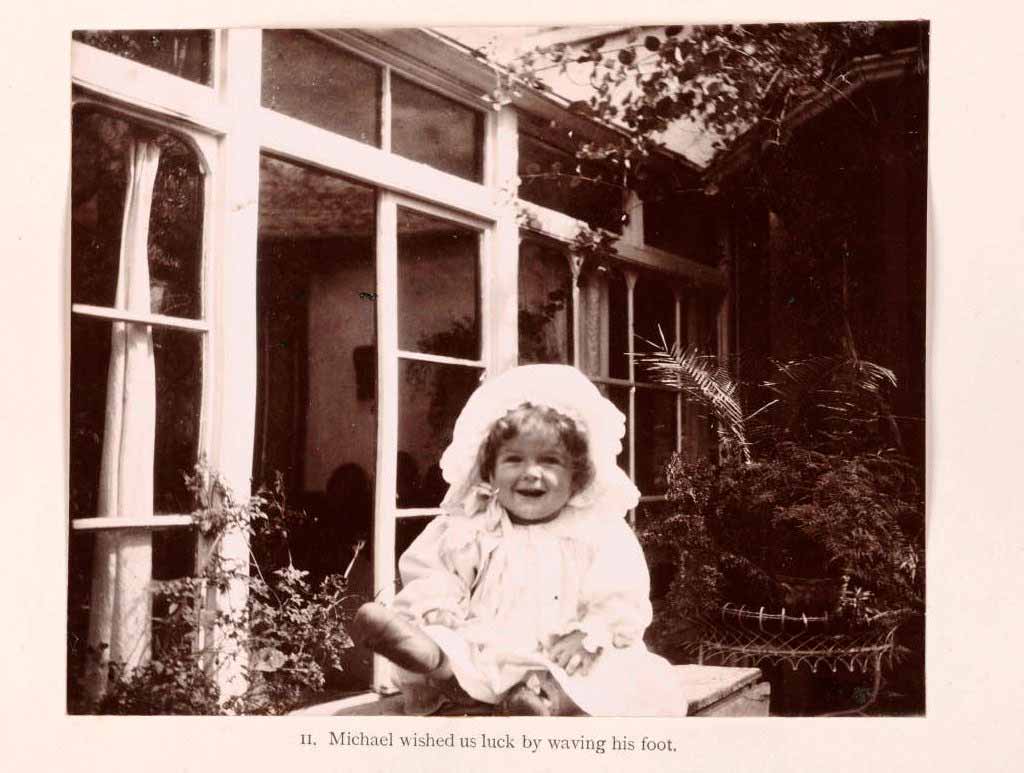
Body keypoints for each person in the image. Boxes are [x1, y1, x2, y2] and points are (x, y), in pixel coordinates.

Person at [352, 364, 687, 716]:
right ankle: (430, 656)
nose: (531, 472)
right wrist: (439, 608)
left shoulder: (596, 532)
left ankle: (545, 699)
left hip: (564, 650)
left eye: (550, 461)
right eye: (514, 459)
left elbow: (621, 592)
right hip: (487, 643)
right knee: (455, 648)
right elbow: (437, 570)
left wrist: (591, 634)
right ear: (489, 471)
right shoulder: (473, 526)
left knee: (616, 673)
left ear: (578, 475)